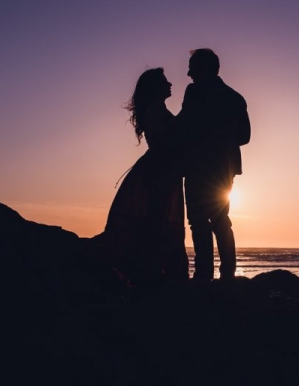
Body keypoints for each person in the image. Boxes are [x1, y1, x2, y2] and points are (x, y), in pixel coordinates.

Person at [102, 68, 189, 284]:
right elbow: (167, 137)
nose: (170, 84)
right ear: (155, 87)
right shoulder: (155, 109)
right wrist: (187, 114)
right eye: (165, 81)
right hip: (159, 168)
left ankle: (153, 270)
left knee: (157, 216)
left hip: (161, 167)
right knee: (157, 217)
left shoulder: (156, 108)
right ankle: (153, 271)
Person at [177, 49, 251, 282]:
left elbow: (184, 126)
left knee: (198, 220)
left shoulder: (195, 91)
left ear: (205, 68)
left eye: (192, 67)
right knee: (220, 219)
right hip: (224, 168)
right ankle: (227, 273)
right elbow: (244, 136)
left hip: (199, 166)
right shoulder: (235, 97)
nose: (188, 73)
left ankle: (203, 275)